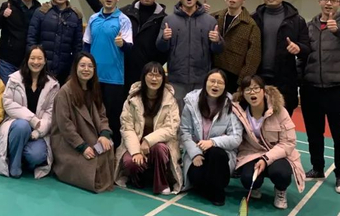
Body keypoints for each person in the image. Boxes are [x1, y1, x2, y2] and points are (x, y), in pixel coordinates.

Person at [299, 0, 340, 195]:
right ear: (319, 2)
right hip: (310, 88)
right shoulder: (309, 26)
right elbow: (303, 55)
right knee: (313, 133)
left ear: (339, 3)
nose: (328, 3)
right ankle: (317, 168)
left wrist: (337, 30)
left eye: (333, 0)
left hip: (336, 89)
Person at [232, 76, 306, 209]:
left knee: (281, 174)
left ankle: (280, 190)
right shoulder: (238, 112)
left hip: (278, 154)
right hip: (252, 153)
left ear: (263, 91)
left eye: (256, 88)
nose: (252, 92)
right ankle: (255, 187)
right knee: (248, 179)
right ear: (243, 93)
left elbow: (288, 142)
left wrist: (265, 159)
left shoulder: (279, 111)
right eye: (248, 89)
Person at [83, 0, 169, 91]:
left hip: (147, 70)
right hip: (124, 67)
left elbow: (164, 48)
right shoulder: (126, 12)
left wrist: (154, 66)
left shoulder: (163, 18)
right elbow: (107, 14)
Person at [114, 62, 184, 195]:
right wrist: (136, 151)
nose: (154, 79)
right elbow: (127, 128)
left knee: (159, 149)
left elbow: (170, 128)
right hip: (136, 143)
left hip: (160, 144)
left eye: (158, 75)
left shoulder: (170, 100)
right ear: (143, 77)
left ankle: (161, 183)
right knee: (131, 162)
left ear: (163, 78)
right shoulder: (132, 99)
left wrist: (148, 140)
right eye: (150, 75)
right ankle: (138, 179)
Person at [51, 52, 115, 193]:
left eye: (90, 66)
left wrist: (104, 134)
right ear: (75, 68)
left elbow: (102, 115)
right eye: (82, 65)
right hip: (70, 144)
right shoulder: (65, 92)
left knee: (108, 146)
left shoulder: (94, 89)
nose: (86, 69)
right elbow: (65, 126)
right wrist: (82, 147)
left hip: (91, 139)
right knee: (91, 165)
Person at [156, 0, 224, 110]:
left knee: (199, 114)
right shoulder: (169, 20)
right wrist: (164, 38)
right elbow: (160, 48)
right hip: (177, 79)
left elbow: (218, 50)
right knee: (177, 114)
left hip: (201, 78)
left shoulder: (210, 21)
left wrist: (217, 41)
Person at [180, 70, 242, 206]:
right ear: (205, 83)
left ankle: (217, 192)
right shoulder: (191, 102)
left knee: (216, 153)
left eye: (220, 83)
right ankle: (208, 187)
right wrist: (195, 154)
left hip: (219, 157)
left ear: (225, 86)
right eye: (212, 81)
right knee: (197, 179)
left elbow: (236, 137)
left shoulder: (231, 106)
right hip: (196, 155)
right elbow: (185, 132)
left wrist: (213, 142)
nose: (215, 85)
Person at [0, 45, 59, 178]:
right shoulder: (14, 79)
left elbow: (50, 113)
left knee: (36, 156)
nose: (36, 62)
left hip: (39, 130)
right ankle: (15, 165)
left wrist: (39, 131)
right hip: (16, 125)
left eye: (39, 58)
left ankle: (19, 154)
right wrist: (31, 119)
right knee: (22, 125)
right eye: (32, 58)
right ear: (27, 60)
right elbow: (8, 103)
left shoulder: (53, 84)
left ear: (45, 61)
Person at [83, 0, 133, 147]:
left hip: (114, 79)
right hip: (93, 78)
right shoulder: (93, 19)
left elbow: (129, 48)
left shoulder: (123, 20)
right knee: (91, 114)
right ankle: (91, 149)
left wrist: (122, 44)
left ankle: (112, 152)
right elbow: (86, 46)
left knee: (112, 118)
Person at [252, 0, 310, 115]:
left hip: (285, 80)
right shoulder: (253, 18)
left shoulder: (296, 21)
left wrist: (298, 48)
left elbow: (307, 48)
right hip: (258, 79)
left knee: (283, 121)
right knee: (257, 121)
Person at [27, 0, 83, 85]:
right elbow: (31, 40)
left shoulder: (75, 16)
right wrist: (33, 63)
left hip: (65, 71)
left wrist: (74, 71)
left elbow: (78, 47)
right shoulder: (41, 13)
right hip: (41, 68)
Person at [211, 0, 262, 94]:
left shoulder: (250, 25)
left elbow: (253, 58)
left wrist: (242, 83)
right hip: (213, 72)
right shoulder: (214, 17)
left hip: (234, 76)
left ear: (244, 0)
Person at [0, 0, 41, 83]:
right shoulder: (8, 5)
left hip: (28, 61)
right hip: (7, 59)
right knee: (7, 89)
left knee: (24, 91)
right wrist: (2, 15)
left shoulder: (39, 10)